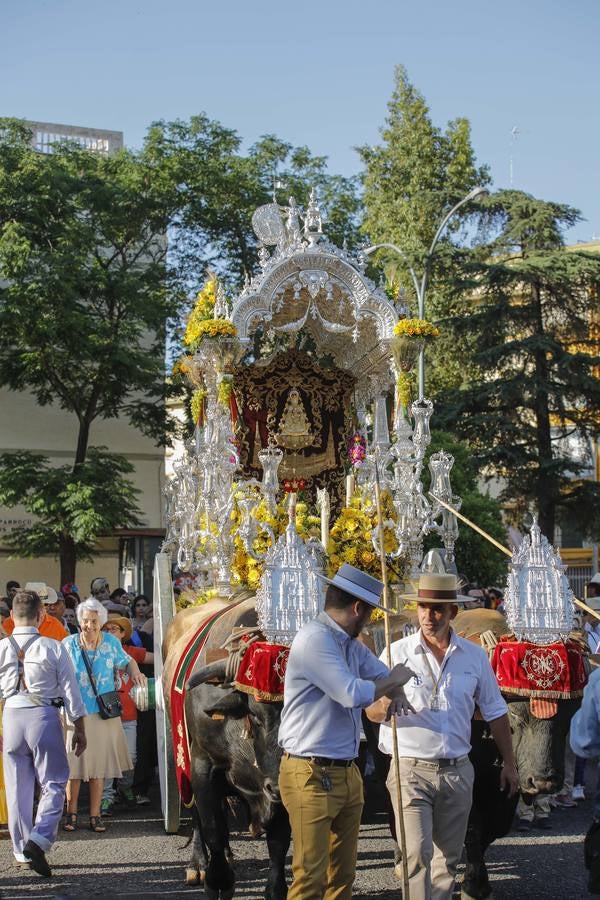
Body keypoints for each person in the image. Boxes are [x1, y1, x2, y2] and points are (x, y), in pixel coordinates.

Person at [366, 572, 518, 900]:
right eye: (423, 607)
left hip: (457, 771)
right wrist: (386, 702)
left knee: (446, 862)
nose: (428, 616)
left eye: (437, 609)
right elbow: (371, 712)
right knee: (416, 857)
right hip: (409, 770)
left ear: (452, 612)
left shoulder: (475, 657)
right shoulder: (395, 653)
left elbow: (495, 712)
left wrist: (510, 763)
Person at [278, 563, 416, 900]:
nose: (368, 621)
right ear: (357, 609)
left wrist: (395, 687)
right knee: (310, 878)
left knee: (343, 876)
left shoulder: (348, 643)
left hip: (344, 769)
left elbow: (381, 672)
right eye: (369, 613)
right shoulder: (315, 639)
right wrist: (395, 682)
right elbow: (352, 694)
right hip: (310, 772)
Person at [0, 588, 86, 876]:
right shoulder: (54, 647)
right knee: (54, 782)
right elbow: (71, 691)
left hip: (11, 716)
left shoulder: (1, 647)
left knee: (17, 787)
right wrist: (80, 727)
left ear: (12, 616)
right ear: (40, 615)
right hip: (43, 716)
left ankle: (20, 850)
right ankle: (39, 840)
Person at [61, 597, 146, 834]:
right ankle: (71, 812)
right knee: (74, 767)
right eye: (86, 621)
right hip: (75, 712)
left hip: (103, 713)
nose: (90, 625)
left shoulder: (111, 642)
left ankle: (95, 815)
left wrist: (136, 673)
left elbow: (128, 661)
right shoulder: (68, 644)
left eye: (94, 621)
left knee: (98, 767)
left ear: (101, 622)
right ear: (80, 622)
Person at [100, 614, 153, 816]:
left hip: (129, 715)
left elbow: (157, 658)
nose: (109, 632)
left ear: (123, 634)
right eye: (106, 629)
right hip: (104, 714)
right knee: (106, 757)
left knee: (131, 757)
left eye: (114, 629)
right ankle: (106, 797)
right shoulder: (97, 652)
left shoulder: (131, 652)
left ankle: (124, 786)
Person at [3, 583, 67, 641]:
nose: (42, 607)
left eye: (46, 604)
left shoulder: (56, 625)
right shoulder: (8, 623)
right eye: (35, 604)